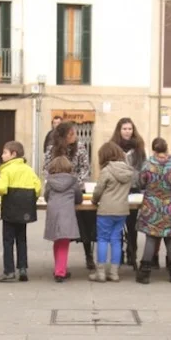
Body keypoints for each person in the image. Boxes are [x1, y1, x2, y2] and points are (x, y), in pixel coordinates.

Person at [44, 121, 95, 271]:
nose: (75, 136)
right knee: (60, 228)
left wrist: (74, 184)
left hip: (75, 189)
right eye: (72, 133)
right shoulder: (52, 149)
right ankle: (60, 265)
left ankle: (88, 255)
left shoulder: (80, 148)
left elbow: (85, 168)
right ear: (63, 135)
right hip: (57, 190)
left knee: (85, 223)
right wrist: (53, 182)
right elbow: (46, 169)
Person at [135, 137, 171, 285]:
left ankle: (144, 273)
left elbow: (140, 183)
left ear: (153, 149)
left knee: (151, 237)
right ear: (166, 148)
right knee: (170, 238)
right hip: (169, 205)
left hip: (152, 205)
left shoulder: (148, 164)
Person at [0, 140, 42, 282]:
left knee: (8, 241)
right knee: (22, 239)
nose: (2, 155)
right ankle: (22, 268)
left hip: (9, 210)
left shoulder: (6, 170)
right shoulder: (28, 169)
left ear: (13, 154)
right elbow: (38, 187)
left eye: (5, 153)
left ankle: (9, 271)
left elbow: (0, 188)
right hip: (24, 210)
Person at [91, 141, 135, 283]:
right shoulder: (128, 171)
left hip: (106, 210)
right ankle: (114, 273)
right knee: (116, 240)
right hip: (122, 210)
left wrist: (94, 200)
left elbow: (98, 190)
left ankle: (101, 272)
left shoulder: (106, 171)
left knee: (103, 239)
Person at [113, 118, 147, 268]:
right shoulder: (113, 146)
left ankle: (132, 253)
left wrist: (140, 182)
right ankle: (118, 253)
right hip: (117, 188)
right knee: (118, 223)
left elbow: (143, 167)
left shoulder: (139, 147)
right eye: (124, 129)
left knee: (132, 223)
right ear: (119, 130)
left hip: (134, 189)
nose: (127, 131)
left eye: (130, 129)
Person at [44, 155, 83, 283]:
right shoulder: (73, 182)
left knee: (57, 241)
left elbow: (46, 197)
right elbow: (79, 198)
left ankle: (59, 267)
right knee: (64, 243)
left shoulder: (50, 182)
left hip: (53, 214)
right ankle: (60, 272)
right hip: (67, 213)